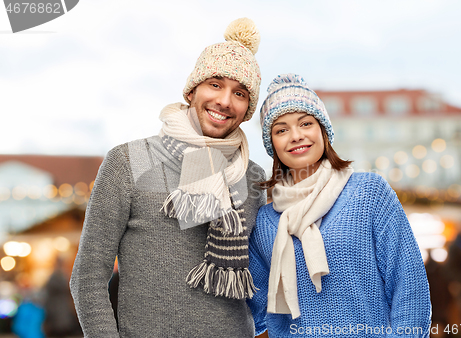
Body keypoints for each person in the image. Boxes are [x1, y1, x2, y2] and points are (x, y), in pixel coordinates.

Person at [70, 18, 267, 338]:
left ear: (246, 110)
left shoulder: (254, 176)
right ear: (192, 90)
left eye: (240, 93)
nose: (225, 101)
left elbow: (266, 278)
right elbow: (88, 276)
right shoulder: (127, 162)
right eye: (215, 84)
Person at [247, 74, 432, 337]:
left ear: (322, 129)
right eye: (281, 129)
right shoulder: (266, 221)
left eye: (306, 123)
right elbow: (251, 313)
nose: (296, 136)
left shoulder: (369, 193)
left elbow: (409, 289)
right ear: (272, 143)